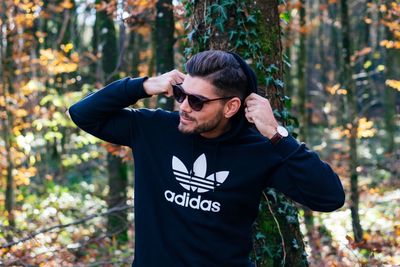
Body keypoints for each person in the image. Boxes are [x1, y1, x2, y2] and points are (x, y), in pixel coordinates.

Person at [68, 50, 345, 267]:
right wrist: (144, 86)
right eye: (181, 95)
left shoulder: (258, 150)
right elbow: (82, 113)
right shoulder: (153, 129)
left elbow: (329, 197)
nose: (185, 107)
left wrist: (277, 135)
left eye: (197, 101)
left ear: (231, 107)